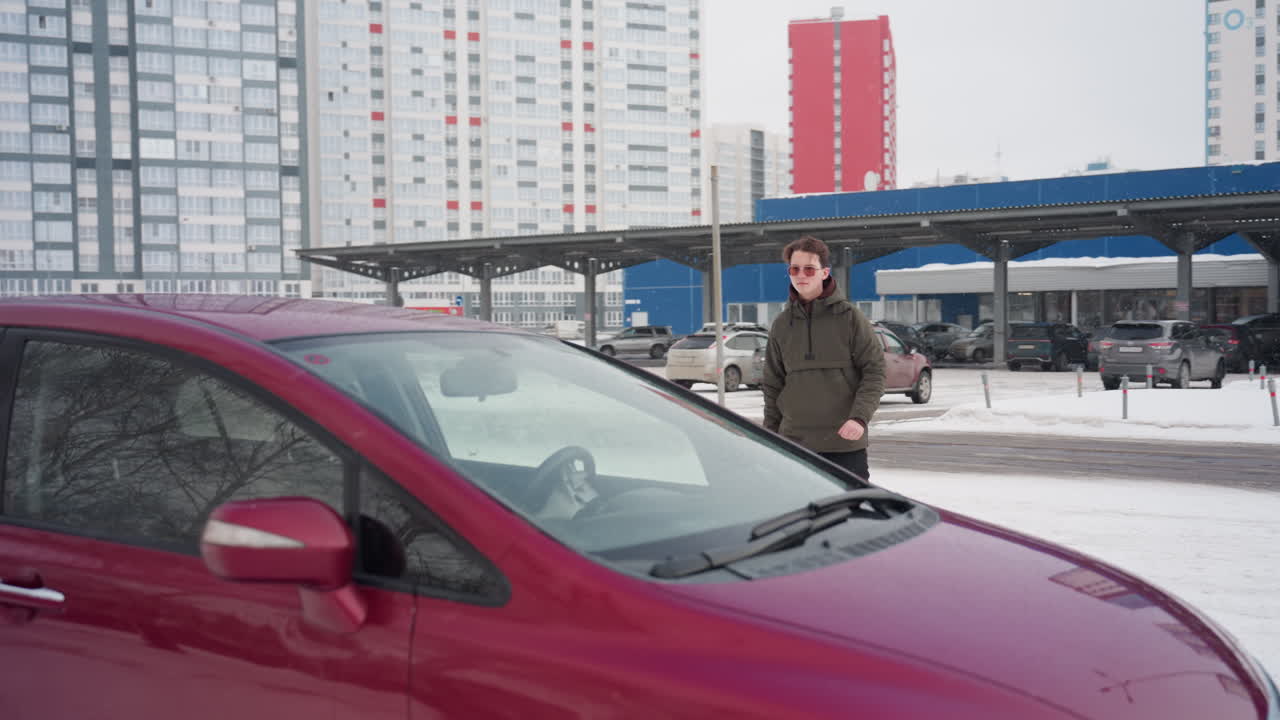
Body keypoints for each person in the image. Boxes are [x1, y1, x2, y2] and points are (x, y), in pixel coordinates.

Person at [761, 235, 886, 480]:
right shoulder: (782, 324)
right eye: (794, 269)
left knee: (853, 512)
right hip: (794, 443)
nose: (801, 275)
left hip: (843, 443)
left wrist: (859, 418)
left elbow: (875, 372)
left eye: (809, 269)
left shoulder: (850, 318)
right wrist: (770, 433)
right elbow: (773, 384)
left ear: (825, 272)